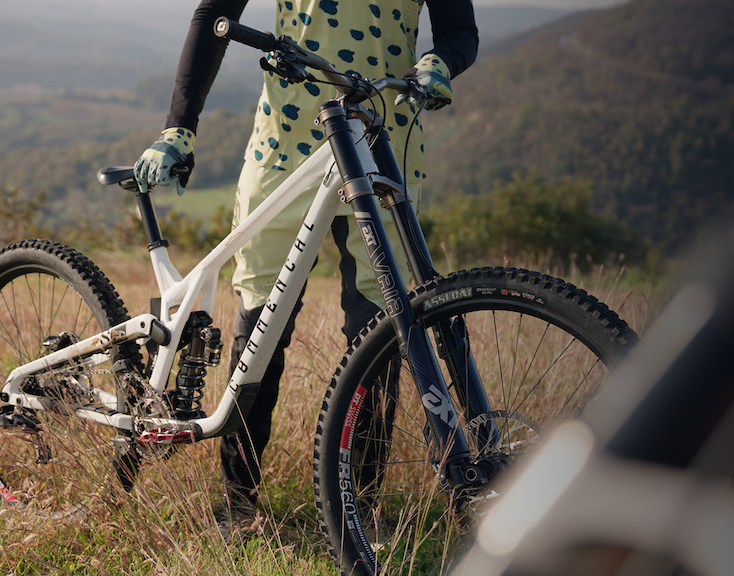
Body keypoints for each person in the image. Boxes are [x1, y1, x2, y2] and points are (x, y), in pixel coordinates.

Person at [133, 0, 478, 532]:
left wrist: (441, 62)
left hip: (381, 140)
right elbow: (214, 13)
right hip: (284, 147)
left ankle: (359, 508)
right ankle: (238, 504)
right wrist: (178, 128)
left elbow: (459, 31)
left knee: (381, 334)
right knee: (260, 332)